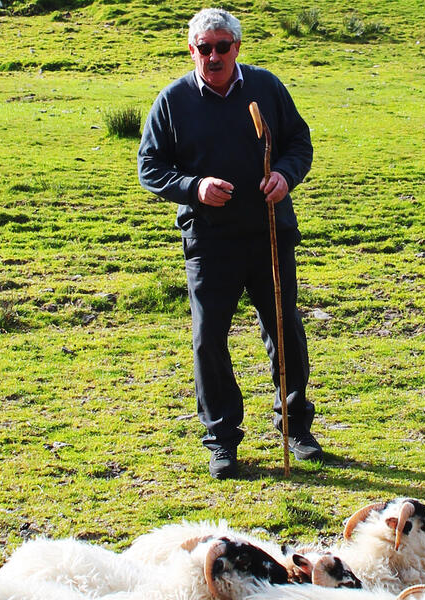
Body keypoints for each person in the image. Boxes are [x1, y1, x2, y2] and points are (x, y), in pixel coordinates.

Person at [137, 7, 321, 479]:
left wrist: (285, 174)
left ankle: (295, 428)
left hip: (268, 233)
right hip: (210, 240)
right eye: (205, 47)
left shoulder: (266, 88)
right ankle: (222, 439)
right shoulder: (173, 100)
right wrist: (193, 188)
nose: (214, 55)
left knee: (285, 331)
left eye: (223, 46)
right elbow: (150, 168)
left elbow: (299, 143)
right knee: (208, 341)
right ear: (191, 48)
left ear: (237, 47)